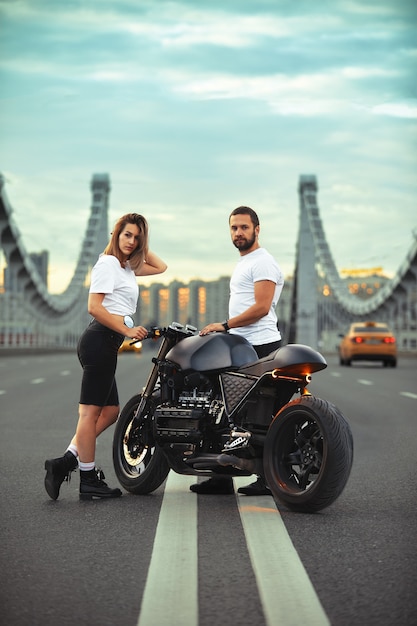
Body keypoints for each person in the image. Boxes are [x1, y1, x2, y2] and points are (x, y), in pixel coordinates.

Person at [44, 213, 167, 501]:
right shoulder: (107, 263)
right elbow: (94, 307)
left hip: (107, 343)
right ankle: (88, 479)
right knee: (88, 414)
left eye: (137, 237)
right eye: (127, 235)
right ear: (115, 233)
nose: (132, 241)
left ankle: (65, 462)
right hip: (99, 340)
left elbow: (161, 267)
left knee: (110, 412)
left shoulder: (126, 267)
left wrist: (141, 245)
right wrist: (127, 329)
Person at [190, 206, 284, 496]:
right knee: (225, 411)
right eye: (234, 228)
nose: (238, 233)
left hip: (259, 344)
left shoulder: (263, 262)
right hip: (241, 343)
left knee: (261, 414)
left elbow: (261, 307)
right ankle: (221, 477)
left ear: (257, 229)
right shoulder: (245, 262)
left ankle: (268, 479)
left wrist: (225, 324)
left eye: (244, 227)